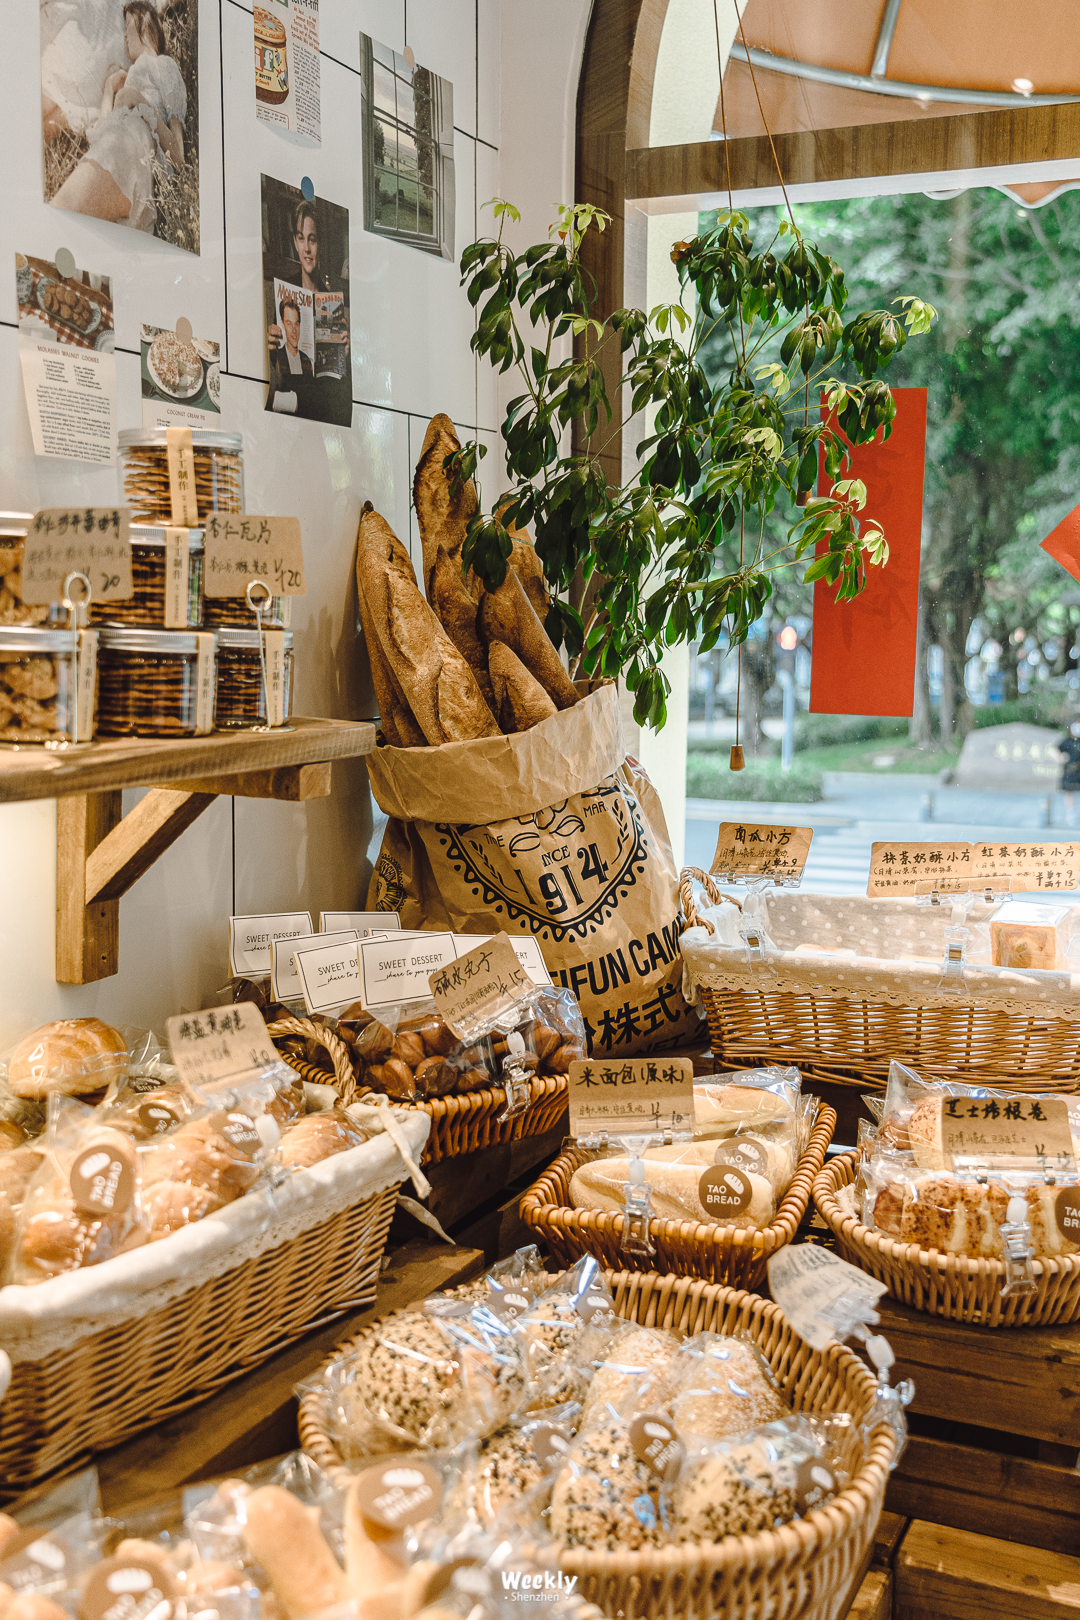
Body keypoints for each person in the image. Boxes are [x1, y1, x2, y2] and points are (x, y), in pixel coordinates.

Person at [50, 0, 185, 233]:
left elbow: (179, 159)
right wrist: (108, 90)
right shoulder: (130, 77)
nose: (124, 36)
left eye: (127, 25)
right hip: (114, 150)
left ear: (145, 21)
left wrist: (140, 103)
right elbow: (100, 135)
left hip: (134, 152)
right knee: (61, 223)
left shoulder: (164, 65)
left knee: (58, 223)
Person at [269, 293, 313, 402]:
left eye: (296, 324)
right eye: (289, 323)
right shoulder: (276, 356)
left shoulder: (306, 359)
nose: (294, 331)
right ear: (282, 323)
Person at [1059, 721, 1080, 824]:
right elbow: (1054, 749)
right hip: (1070, 770)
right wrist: (1060, 757)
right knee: (1068, 792)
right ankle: (1070, 813)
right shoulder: (1067, 741)